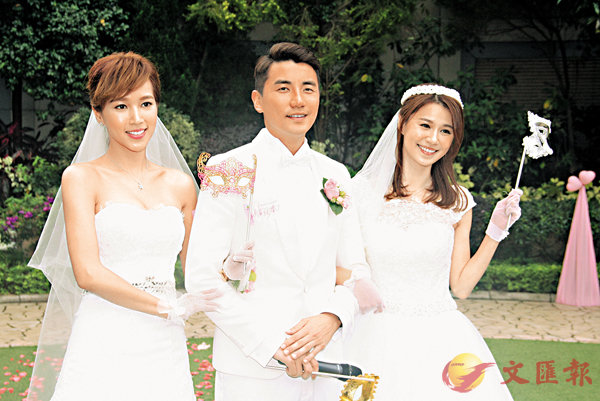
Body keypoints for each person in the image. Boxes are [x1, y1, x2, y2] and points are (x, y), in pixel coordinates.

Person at [185, 42, 382, 401]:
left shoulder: (335, 174)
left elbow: (355, 270)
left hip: (325, 360)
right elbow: (201, 278)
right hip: (252, 368)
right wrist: (272, 345)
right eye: (284, 88)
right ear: (258, 100)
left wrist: (332, 318)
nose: (298, 100)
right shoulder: (228, 169)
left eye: (308, 89)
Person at [27, 52, 222, 401]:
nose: (136, 118)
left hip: (165, 343)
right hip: (105, 333)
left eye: (146, 103)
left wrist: (231, 264)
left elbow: (197, 268)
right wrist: (167, 307)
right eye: (120, 106)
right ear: (98, 113)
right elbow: (88, 273)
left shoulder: (180, 184)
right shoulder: (81, 178)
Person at [340, 84, 520, 400]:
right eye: (425, 125)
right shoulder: (361, 193)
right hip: (373, 336)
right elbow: (338, 263)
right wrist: (356, 283)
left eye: (445, 131)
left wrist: (495, 231)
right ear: (402, 124)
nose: (433, 139)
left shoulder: (458, 201)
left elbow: (461, 287)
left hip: (441, 338)